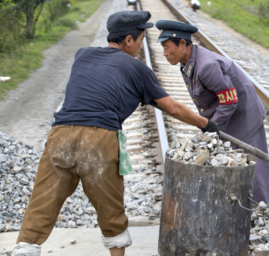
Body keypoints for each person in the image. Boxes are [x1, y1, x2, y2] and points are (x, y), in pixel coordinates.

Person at [11, 11, 218, 256]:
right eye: (141, 39)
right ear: (128, 40)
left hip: (60, 135)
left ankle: (24, 249)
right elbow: (174, 109)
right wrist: (205, 124)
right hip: (98, 140)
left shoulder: (82, 55)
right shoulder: (138, 69)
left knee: (42, 202)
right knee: (110, 208)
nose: (142, 45)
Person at [154, 20, 269, 204]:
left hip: (244, 118)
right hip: (228, 117)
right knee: (234, 164)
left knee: (254, 167)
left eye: (166, 47)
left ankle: (264, 209)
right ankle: (244, 209)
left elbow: (229, 101)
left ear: (182, 44)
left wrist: (211, 128)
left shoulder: (206, 66)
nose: (164, 53)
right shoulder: (188, 62)